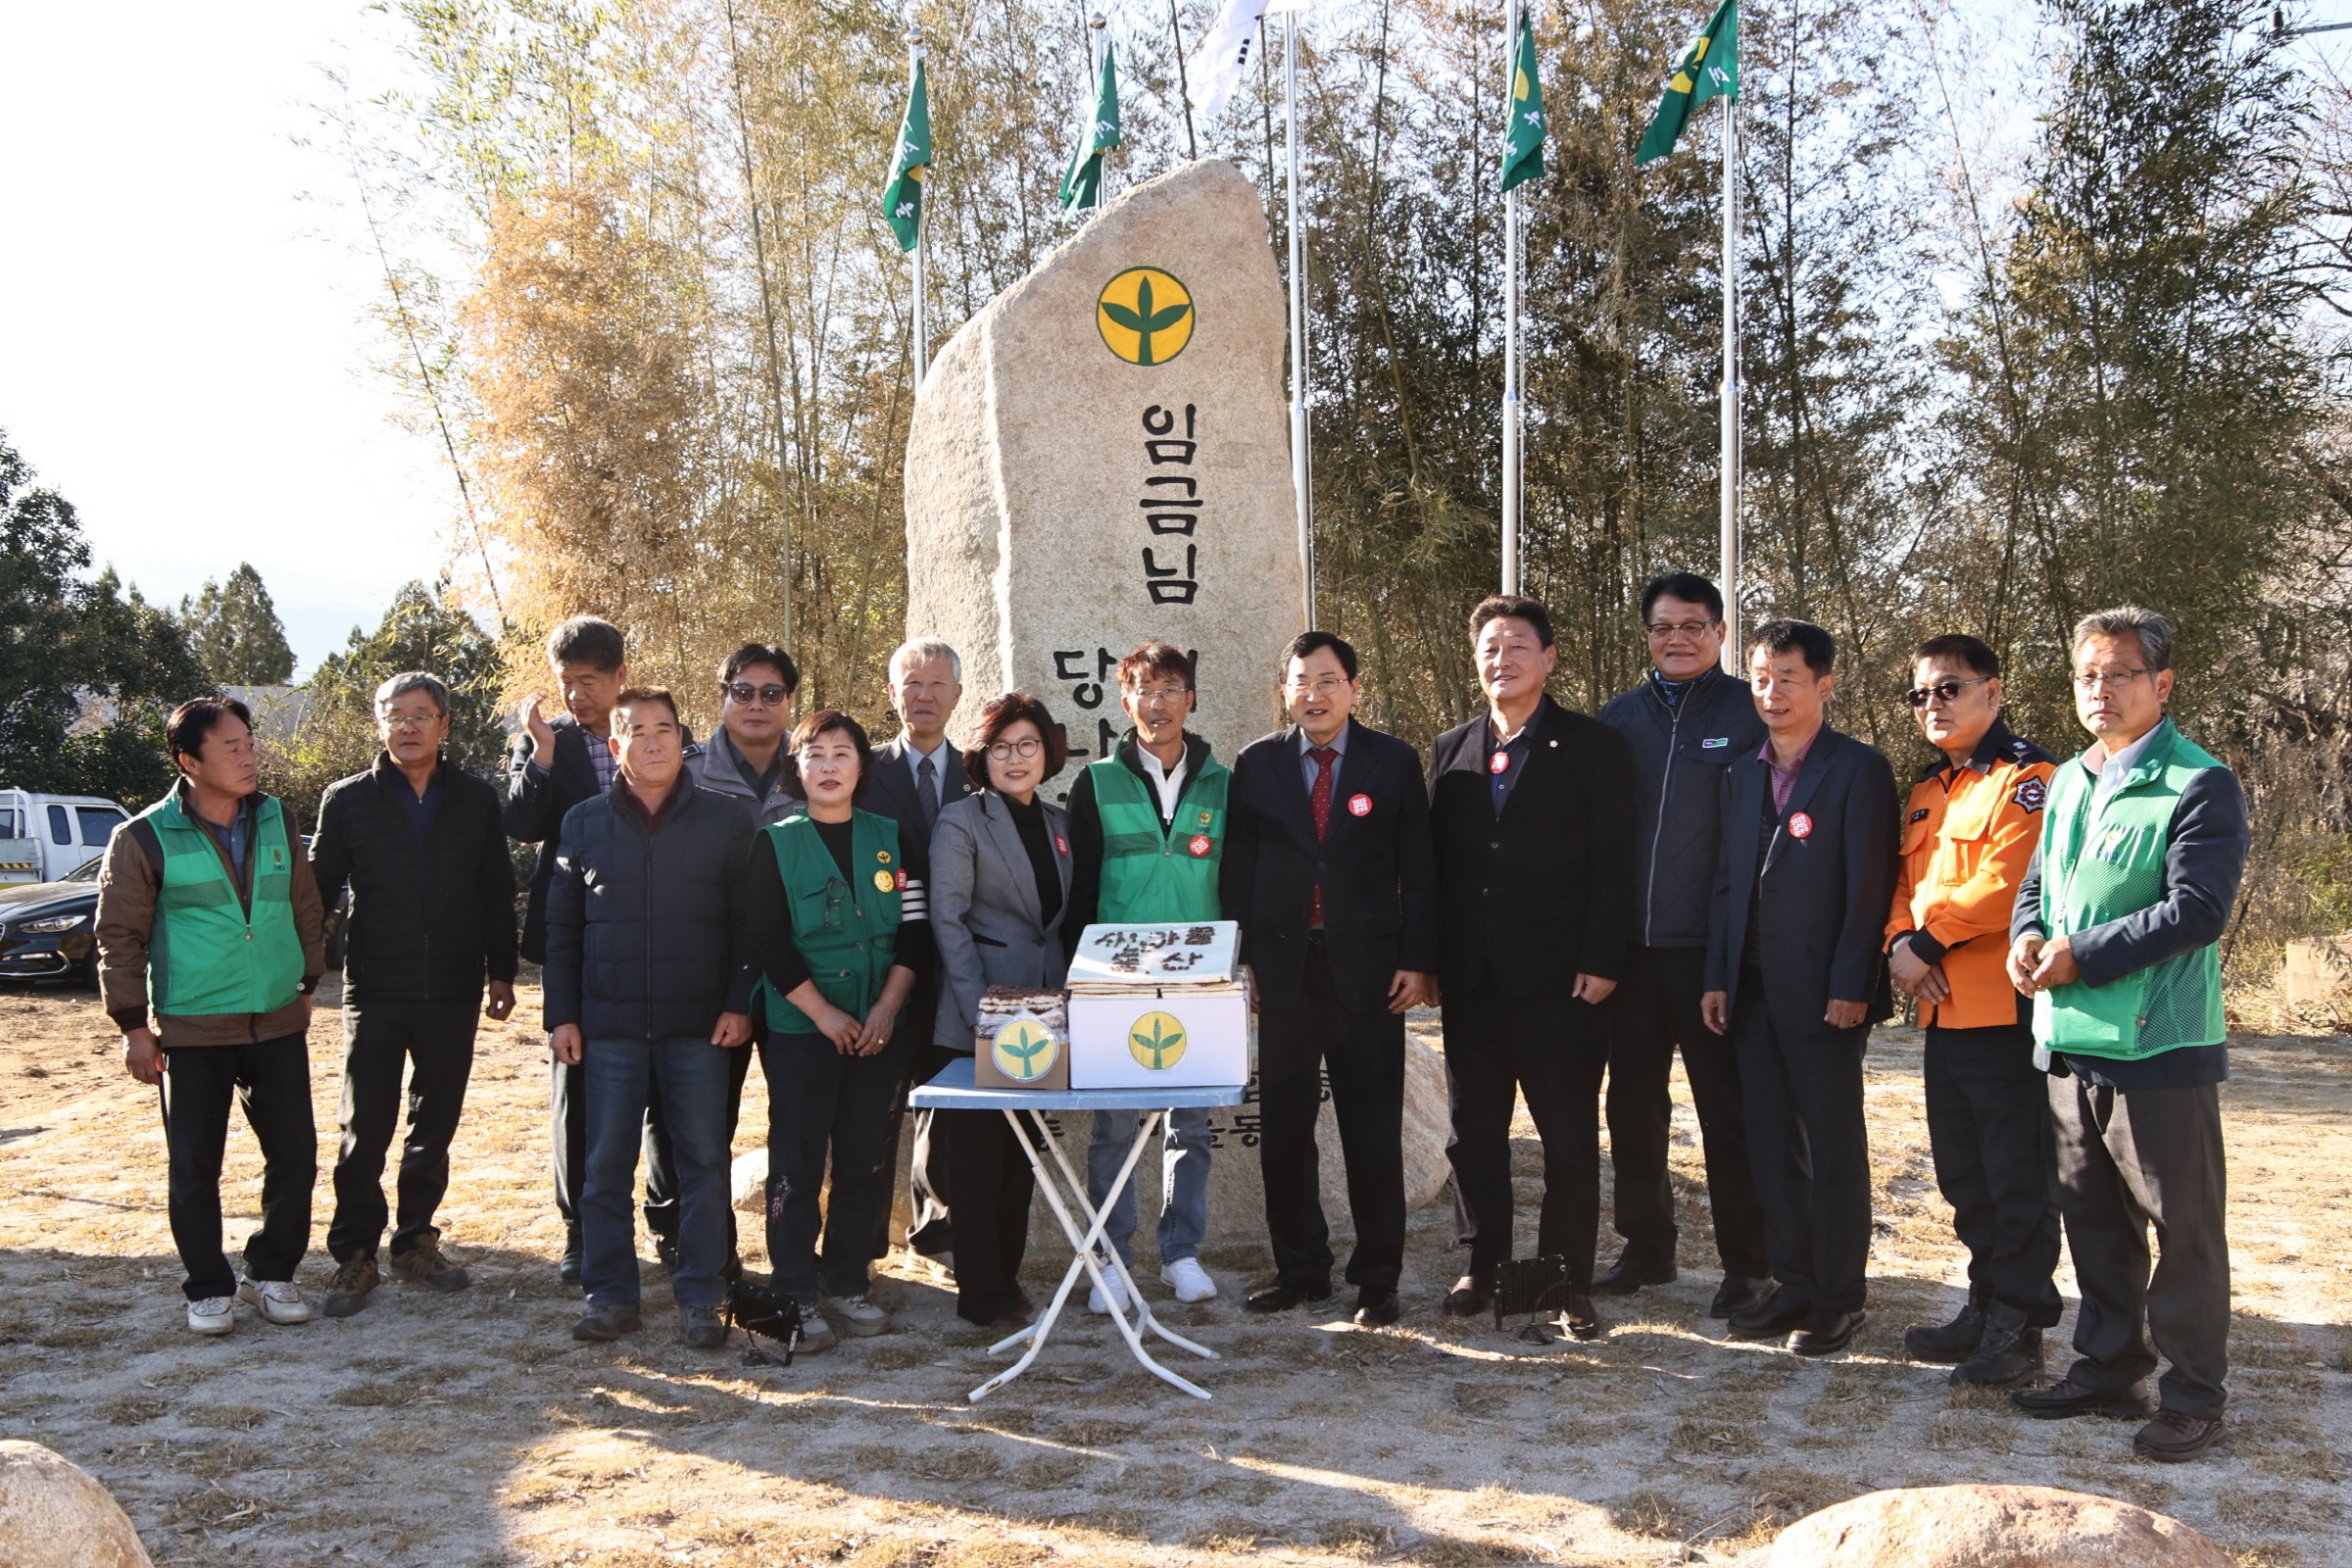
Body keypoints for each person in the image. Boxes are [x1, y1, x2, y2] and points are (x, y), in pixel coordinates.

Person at [2006, 608, 2249, 1464]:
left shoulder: (2200, 781)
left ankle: (2194, 1396)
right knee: (2094, 1221)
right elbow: (2038, 885)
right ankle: (2109, 1367)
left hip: (2159, 1045)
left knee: (2183, 1229)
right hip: (2068, 1038)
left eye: (2119, 674)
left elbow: (2199, 910)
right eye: (2086, 676)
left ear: (2163, 684)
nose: (2099, 690)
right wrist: (2027, 940)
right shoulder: (2070, 778)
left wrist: (2082, 955)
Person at [1426, 596, 1636, 1337]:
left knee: (1568, 1138)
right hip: (1473, 980)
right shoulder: (1450, 748)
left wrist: (1604, 956)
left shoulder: (1594, 745)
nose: (1502, 658)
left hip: (1564, 980)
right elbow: (1436, 870)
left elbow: (1617, 862)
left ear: (1548, 659)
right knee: (1473, 1135)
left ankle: (1563, 1280)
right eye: (1490, 646)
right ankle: (1482, 1265)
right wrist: (1427, 961)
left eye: (1518, 645)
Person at [1223, 632, 1436, 1329]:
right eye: (1300, 681)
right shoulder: (1256, 764)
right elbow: (1239, 872)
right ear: (1283, 689)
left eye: (1328, 679)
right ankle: (1300, 1270)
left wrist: (1417, 958)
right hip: (1284, 973)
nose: (1313, 693)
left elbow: (1419, 868)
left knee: (1372, 1132)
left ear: (1354, 688)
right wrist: (1244, 961)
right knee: (1284, 1131)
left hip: (1372, 976)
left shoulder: (1393, 761)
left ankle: (1378, 1278)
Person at [96, 697, 328, 1334]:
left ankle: (272, 1274)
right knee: (196, 1163)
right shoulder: (142, 837)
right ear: (188, 760)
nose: (249, 755)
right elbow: (119, 938)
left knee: (297, 1155)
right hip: (195, 1027)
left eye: (249, 742)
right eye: (231, 747)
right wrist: (134, 1027)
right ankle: (207, 1286)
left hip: (278, 1020)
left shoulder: (279, 819)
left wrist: (306, 980)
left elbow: (305, 906)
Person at [1700, 619, 1898, 1358]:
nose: (1771, 691)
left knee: (1832, 1143)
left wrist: (1854, 980)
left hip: (1824, 992)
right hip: (1749, 988)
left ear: (1824, 684)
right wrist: (1718, 976)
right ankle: (1792, 1281)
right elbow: (1727, 885)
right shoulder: (1742, 770)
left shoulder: (1857, 768)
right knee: (1771, 1141)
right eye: (1759, 675)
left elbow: (1870, 886)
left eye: (1787, 676)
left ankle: (1839, 1298)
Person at [544, 687, 756, 1348]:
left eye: (664, 728)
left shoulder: (727, 820)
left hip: (699, 1027)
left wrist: (737, 1002)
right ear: (616, 746)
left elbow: (749, 927)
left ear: (682, 740)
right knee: (605, 1165)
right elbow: (561, 930)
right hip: (608, 1030)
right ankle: (610, 1294)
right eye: (636, 731)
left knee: (702, 1163)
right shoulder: (582, 822)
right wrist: (562, 1016)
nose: (653, 741)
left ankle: (700, 1295)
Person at [309, 673, 519, 1319]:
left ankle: (414, 1242)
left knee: (434, 1125)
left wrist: (501, 973)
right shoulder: (346, 800)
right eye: (394, 715)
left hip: (453, 986)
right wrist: (302, 975)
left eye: (421, 715)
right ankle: (355, 1253)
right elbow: (317, 891)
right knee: (363, 1124)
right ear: (381, 724)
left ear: (445, 725)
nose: (407, 725)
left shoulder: (476, 799)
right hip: (376, 986)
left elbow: (494, 889)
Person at [1885, 635, 2062, 1387]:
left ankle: (2020, 1327)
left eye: (1949, 689)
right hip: (1940, 1014)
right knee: (1964, 1176)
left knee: (2015, 1175)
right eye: (1921, 693)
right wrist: (1898, 942)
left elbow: (2007, 879)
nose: (1934, 705)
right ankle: (1985, 1302)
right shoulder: (1929, 789)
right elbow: (1902, 883)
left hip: (2001, 1009)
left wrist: (1924, 942)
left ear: (1993, 691)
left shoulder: (2030, 776)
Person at [1594, 572, 1772, 1318]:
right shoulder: (1617, 720)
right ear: (1647, 635)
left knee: (1726, 1112)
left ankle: (1747, 1262)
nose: (1678, 638)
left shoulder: (1753, 712)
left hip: (1711, 954)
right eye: (1664, 626)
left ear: (1721, 633)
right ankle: (1647, 1245)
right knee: (1632, 1107)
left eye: (1694, 625)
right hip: (1630, 954)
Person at [748, 710, 934, 1350]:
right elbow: (767, 941)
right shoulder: (775, 842)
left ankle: (849, 1278)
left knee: (865, 1156)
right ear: (797, 768)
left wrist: (886, 1007)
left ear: (862, 766)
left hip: (882, 1025)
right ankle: (794, 1289)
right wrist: (824, 1014)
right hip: (802, 1028)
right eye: (815, 755)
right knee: (797, 1160)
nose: (829, 766)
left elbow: (915, 931)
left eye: (842, 754)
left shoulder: (893, 837)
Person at [506, 615, 679, 1283]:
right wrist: (542, 754)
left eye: (589, 681)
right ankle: (581, 1231)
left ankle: (668, 1225)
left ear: (619, 678)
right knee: (577, 1090)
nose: (577, 695)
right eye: (565, 682)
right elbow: (521, 825)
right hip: (578, 941)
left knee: (666, 1089)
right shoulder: (545, 744)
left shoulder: (657, 735)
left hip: (665, 941)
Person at [1065, 639, 1231, 1309]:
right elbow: (1079, 890)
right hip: (1115, 978)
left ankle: (1180, 1253)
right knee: (1113, 1129)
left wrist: (1240, 970)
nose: (1155, 704)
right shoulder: (1096, 783)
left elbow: (1240, 880)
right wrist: (1073, 976)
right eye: (1141, 690)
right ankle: (1110, 1258)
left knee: (1191, 1125)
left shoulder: (1225, 784)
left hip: (1201, 976)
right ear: (1123, 700)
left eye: (1169, 690)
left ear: (1190, 699)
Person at [928, 693, 1074, 1327]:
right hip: (979, 1015)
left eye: (1028, 745)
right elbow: (948, 920)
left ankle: (1007, 1279)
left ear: (1048, 753)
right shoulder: (961, 822)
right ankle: (979, 1291)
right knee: (980, 1161)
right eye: (1001, 747)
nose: (1015, 758)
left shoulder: (1061, 825)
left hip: (1044, 1013)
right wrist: (981, 1008)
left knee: (1022, 1154)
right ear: (981, 758)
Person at [667, 640, 804, 1272]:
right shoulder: (685, 775)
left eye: (771, 694)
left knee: (796, 1126)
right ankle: (703, 1254)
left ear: (790, 703)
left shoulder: (816, 769)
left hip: (796, 981)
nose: (756, 705)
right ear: (721, 698)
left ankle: (791, 1258)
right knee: (700, 1128)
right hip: (706, 978)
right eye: (741, 691)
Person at [862, 638, 972, 1272]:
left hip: (955, 971)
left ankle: (936, 1235)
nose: (924, 695)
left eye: (937, 685)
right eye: (912, 683)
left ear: (957, 695)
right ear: (892, 693)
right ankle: (864, 1244)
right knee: (873, 1111)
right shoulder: (864, 771)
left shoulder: (979, 772)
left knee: (948, 1110)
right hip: (880, 971)